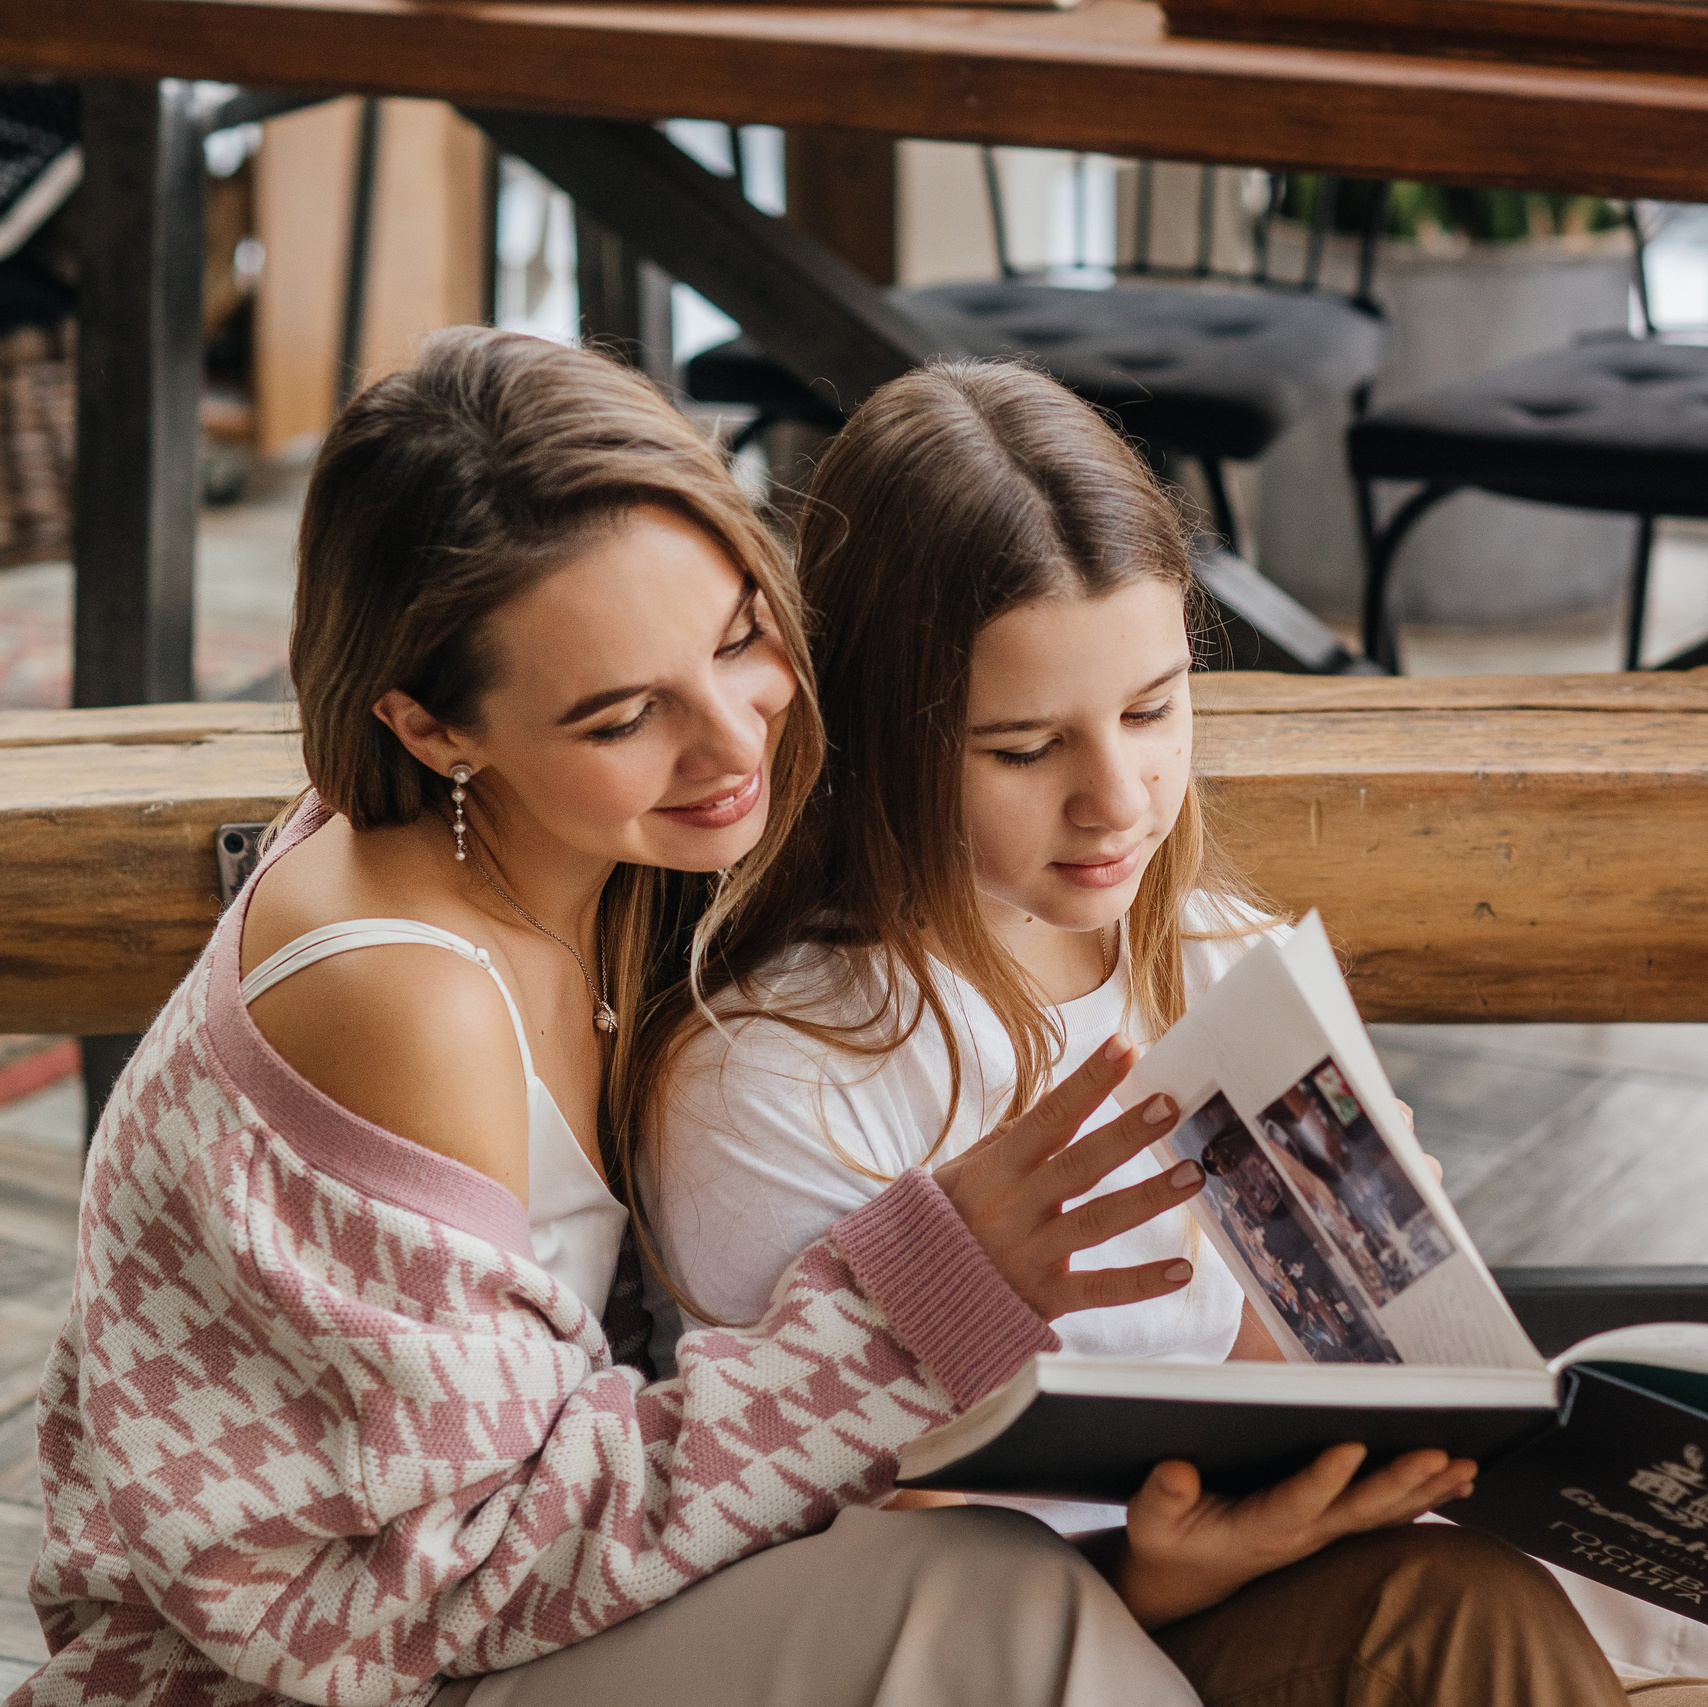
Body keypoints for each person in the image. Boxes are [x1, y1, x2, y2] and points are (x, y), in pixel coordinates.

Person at [16, 333, 1621, 1707]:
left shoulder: (616, 860)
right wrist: (920, 1295)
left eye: (738, 640)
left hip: (540, 1603)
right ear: (431, 726)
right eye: (623, 713)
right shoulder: (402, 987)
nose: (736, 742)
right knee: (986, 1606)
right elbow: (448, 1580)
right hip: (334, 1676)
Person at [630, 357, 1630, 1703]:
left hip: (1251, 1570)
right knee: (1458, 1625)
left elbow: (1242, 1387)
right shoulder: (773, 1074)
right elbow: (824, 1578)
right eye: (1025, 748)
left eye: (1155, 710)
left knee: (1498, 1594)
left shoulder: (1218, 960)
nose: (1116, 799)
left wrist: (1376, 1305)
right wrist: (1161, 1578)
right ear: (873, 734)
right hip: (998, 1652)